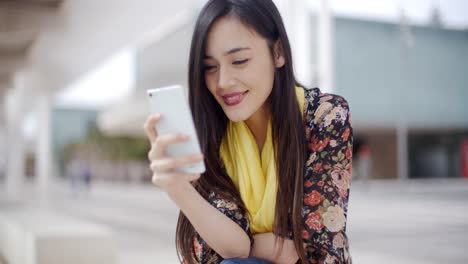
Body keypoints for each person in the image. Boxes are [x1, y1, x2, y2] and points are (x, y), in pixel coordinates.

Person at [143, 0, 353, 263]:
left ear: (278, 52)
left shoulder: (324, 117)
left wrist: (246, 242)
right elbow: (219, 252)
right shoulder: (211, 136)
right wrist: (179, 191)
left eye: (239, 60)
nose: (223, 82)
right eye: (210, 67)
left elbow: (314, 249)